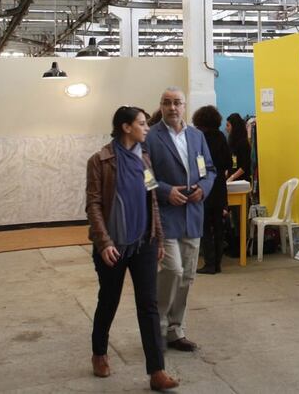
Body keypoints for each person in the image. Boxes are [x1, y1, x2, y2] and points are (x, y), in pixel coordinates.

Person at [85, 106, 179, 391]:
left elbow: (152, 202)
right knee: (109, 300)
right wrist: (104, 243)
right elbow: (93, 205)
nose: (146, 127)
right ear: (126, 127)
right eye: (141, 123)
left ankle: (156, 371)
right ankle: (99, 352)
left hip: (144, 242)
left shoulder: (145, 160)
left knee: (148, 305)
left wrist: (158, 239)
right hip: (112, 246)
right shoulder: (100, 160)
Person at [147, 87, 216, 352]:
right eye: (167, 103)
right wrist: (165, 191)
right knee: (172, 270)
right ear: (161, 106)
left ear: (185, 106)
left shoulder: (197, 136)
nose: (172, 108)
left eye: (177, 103)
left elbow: (209, 169)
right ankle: (158, 328)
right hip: (166, 214)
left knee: (187, 275)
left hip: (193, 212)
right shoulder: (151, 137)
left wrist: (204, 188)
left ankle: (176, 330)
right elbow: (144, 175)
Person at [191, 105, 230, 275]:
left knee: (205, 226)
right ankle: (218, 264)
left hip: (205, 184)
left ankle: (209, 263)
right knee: (219, 225)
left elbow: (197, 161)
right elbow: (228, 162)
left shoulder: (198, 137)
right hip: (220, 184)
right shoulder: (221, 136)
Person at [224, 113, 252, 183]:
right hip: (233, 180)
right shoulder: (232, 142)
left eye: (228, 125)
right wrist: (228, 173)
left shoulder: (243, 143)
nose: (226, 128)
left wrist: (232, 177)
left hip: (242, 181)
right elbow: (234, 162)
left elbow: (244, 166)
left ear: (235, 126)